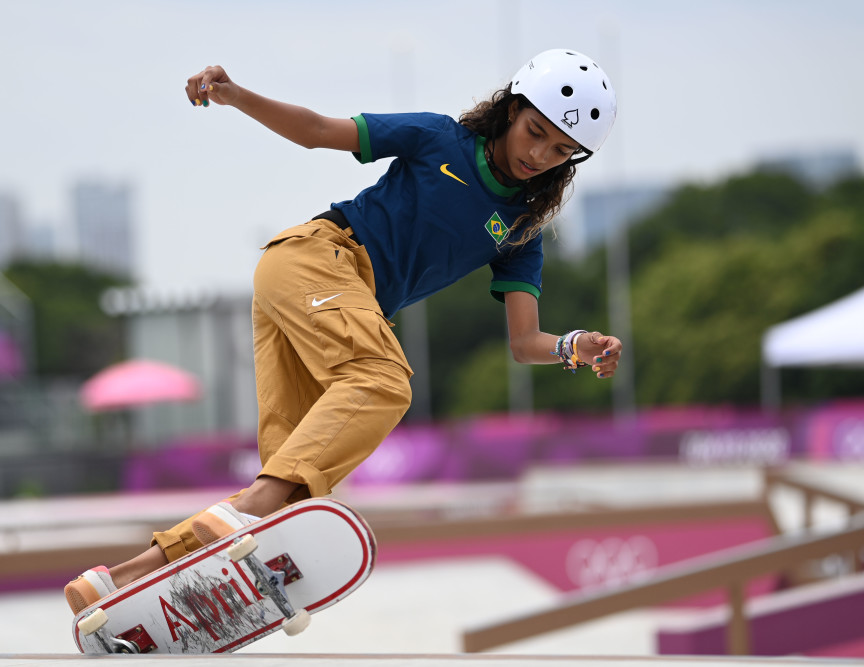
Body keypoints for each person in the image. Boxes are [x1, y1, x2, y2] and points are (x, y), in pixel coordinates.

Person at [65, 48, 623, 613]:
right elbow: (315, 131)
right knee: (383, 380)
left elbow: (525, 344)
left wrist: (573, 346)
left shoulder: (523, 229)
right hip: (316, 259)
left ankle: (118, 583)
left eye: (561, 152)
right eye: (535, 132)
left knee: (290, 489)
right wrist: (235, 95)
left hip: (326, 307)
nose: (540, 155)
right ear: (511, 109)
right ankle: (249, 512)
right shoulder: (439, 139)